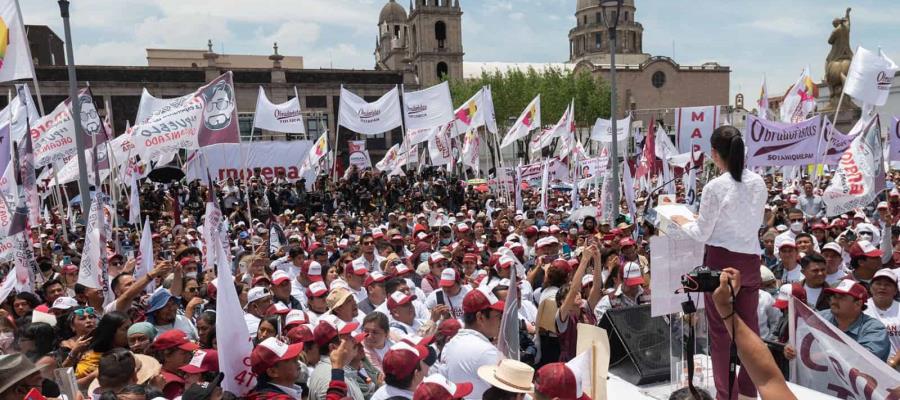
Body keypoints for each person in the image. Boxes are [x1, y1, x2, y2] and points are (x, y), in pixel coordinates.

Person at [672, 125, 767, 400]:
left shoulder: (715, 187)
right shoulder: (758, 182)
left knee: (722, 333)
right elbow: (756, 222)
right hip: (750, 260)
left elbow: (701, 232)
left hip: (722, 261)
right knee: (750, 330)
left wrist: (679, 222)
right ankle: (749, 392)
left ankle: (728, 396)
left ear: (714, 153)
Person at [709, 268, 798, 400]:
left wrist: (724, 307)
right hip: (751, 351)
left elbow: (768, 380)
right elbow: (768, 380)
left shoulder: (766, 298)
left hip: (754, 350)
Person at [785, 279, 890, 361]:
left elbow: (864, 358)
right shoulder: (820, 317)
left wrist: (825, 355)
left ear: (858, 304)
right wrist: (790, 348)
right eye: (833, 296)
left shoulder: (875, 328)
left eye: (841, 297)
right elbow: (799, 337)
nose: (834, 300)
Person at [442, 287, 505, 399]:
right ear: (480, 317)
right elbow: (515, 394)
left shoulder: (452, 343)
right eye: (498, 316)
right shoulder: (485, 351)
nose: (501, 320)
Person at [863, 269, 900, 368]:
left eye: (888, 285)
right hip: (867, 366)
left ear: (896, 290)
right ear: (870, 288)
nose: (882, 287)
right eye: (878, 284)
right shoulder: (860, 308)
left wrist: (893, 362)